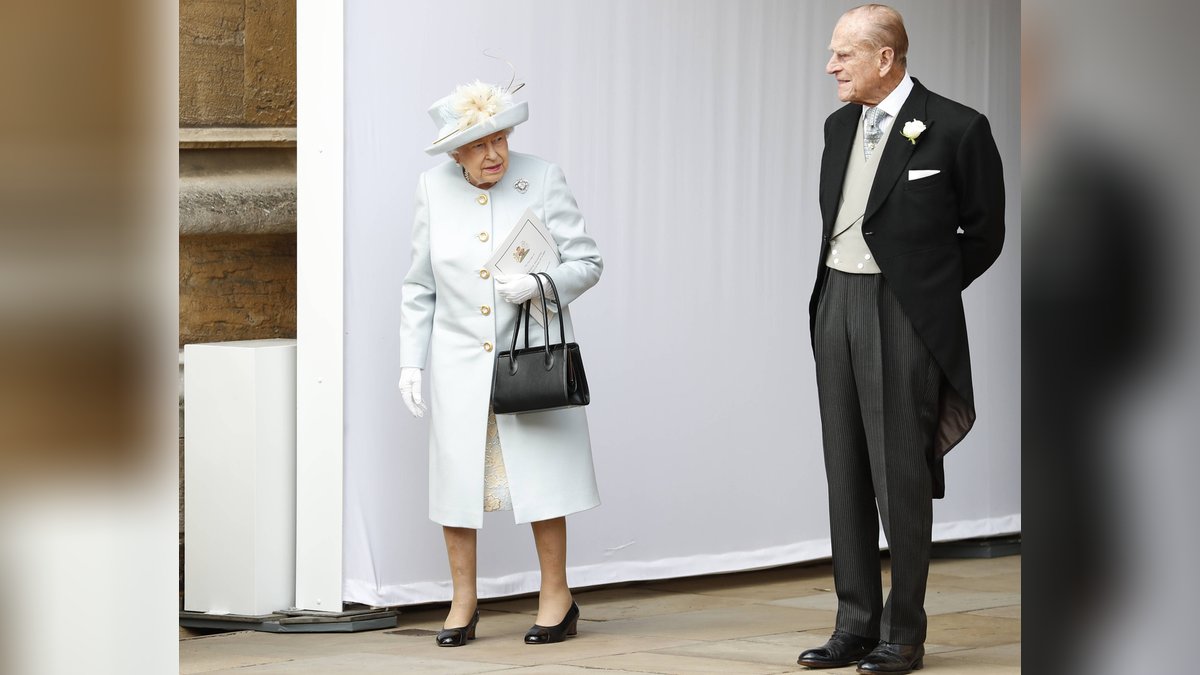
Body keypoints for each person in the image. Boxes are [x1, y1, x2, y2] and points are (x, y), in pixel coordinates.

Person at [799, 5, 1005, 674]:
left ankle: (904, 630)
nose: (831, 66)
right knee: (846, 469)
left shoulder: (958, 128)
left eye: (843, 55)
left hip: (902, 311)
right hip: (834, 299)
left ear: (885, 59)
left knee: (901, 476)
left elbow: (986, 233)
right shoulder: (837, 127)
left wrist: (925, 292)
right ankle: (853, 623)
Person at [397, 79, 603, 647]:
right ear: (455, 151)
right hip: (458, 364)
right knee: (459, 485)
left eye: (501, 139)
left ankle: (556, 597)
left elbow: (587, 261)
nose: (494, 155)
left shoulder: (541, 177)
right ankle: (463, 602)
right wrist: (411, 361)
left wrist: (540, 282)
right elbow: (420, 285)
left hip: (527, 355)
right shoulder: (432, 189)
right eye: (480, 144)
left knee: (541, 479)